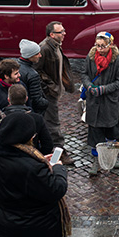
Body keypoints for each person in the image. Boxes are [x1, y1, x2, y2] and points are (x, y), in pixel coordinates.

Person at [82, 32, 119, 177]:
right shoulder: (90, 57)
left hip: (109, 103)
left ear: (110, 45)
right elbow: (84, 74)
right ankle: (96, 161)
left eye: (102, 46)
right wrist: (89, 86)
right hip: (93, 102)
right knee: (95, 134)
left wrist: (104, 89)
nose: (99, 48)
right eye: (97, 45)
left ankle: (112, 158)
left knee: (111, 132)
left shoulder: (117, 60)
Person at [38, 22, 75, 164]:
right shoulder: (45, 48)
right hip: (49, 93)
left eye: (64, 31)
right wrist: (50, 87)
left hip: (53, 91)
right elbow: (38, 71)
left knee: (50, 122)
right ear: (52, 35)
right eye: (61, 32)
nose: (64, 34)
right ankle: (58, 153)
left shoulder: (55, 45)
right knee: (53, 124)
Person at [0, 84, 53, 155]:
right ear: (26, 99)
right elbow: (48, 144)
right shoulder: (37, 118)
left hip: (6, 159)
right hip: (31, 158)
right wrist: (38, 155)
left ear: (8, 99)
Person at [18, 39, 48, 116]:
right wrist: (46, 103)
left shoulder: (17, 67)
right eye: (37, 54)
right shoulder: (32, 74)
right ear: (30, 56)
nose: (40, 55)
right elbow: (36, 100)